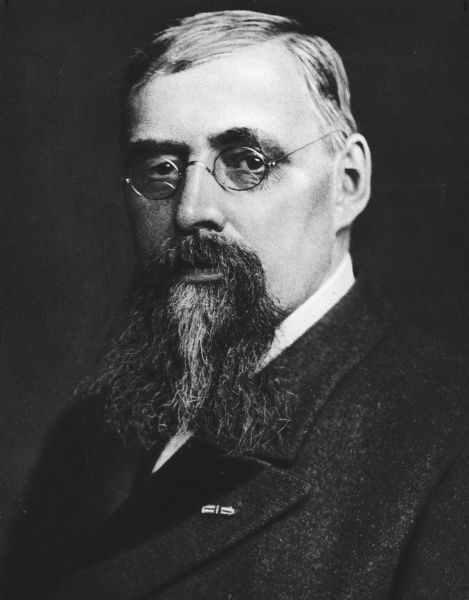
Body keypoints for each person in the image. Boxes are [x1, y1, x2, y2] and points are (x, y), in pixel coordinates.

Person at [5, 10, 469, 600]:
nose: (192, 209)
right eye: (161, 168)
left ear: (347, 182)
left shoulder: (451, 440)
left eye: (247, 161)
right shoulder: (89, 433)